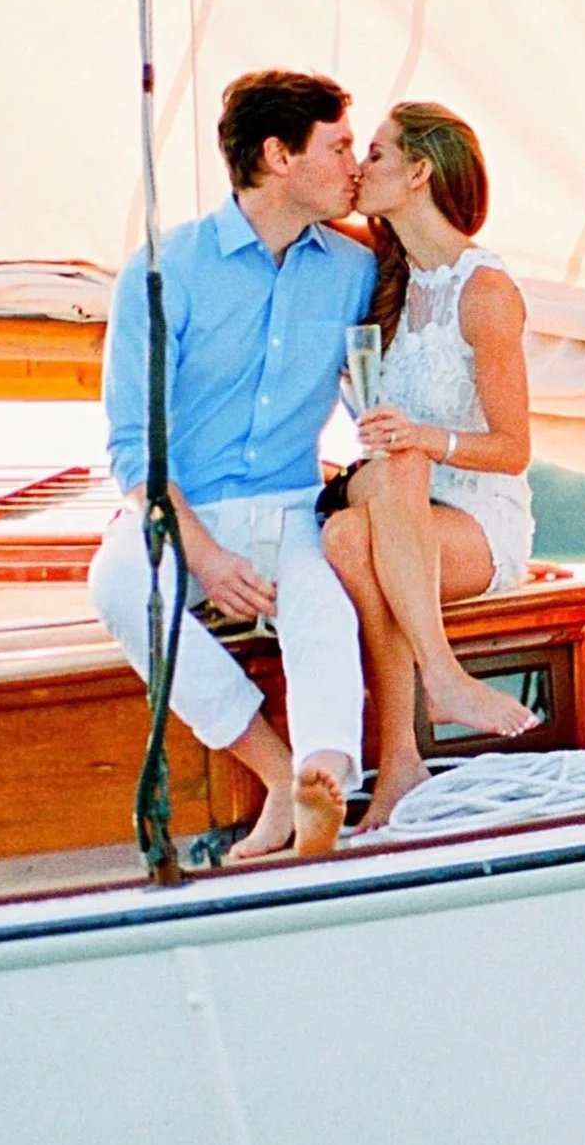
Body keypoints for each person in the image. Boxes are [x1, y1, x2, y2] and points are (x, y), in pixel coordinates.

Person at [88, 71, 374, 859]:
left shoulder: (354, 270)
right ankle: (281, 777)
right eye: (339, 147)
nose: (354, 166)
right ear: (280, 156)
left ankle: (325, 784)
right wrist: (206, 559)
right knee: (120, 586)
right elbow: (133, 447)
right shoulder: (165, 269)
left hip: (292, 506)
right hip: (180, 510)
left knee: (322, 611)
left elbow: (376, 396)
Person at [322, 102, 540, 834]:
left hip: (476, 517)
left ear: (419, 172)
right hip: (394, 491)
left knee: (355, 532)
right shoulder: (380, 275)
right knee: (383, 493)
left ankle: (403, 755)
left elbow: (513, 447)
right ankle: (434, 694)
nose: (360, 168)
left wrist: (423, 437)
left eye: (376, 154)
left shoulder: (486, 294)